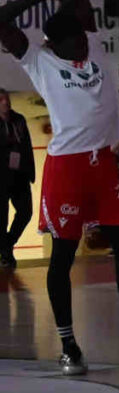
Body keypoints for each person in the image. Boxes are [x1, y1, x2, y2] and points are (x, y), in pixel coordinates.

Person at [0, 0, 119, 374]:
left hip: (103, 164)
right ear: (54, 44)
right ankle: (68, 345)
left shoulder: (92, 44)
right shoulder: (38, 60)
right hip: (68, 168)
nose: (84, 48)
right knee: (63, 255)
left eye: (84, 39)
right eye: (75, 44)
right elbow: (3, 17)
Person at [0, 93, 32, 268]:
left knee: (26, 212)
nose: (6, 102)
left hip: (20, 174)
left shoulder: (19, 119)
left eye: (7, 98)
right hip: (2, 176)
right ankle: (6, 253)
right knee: (1, 219)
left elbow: (26, 144)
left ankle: (5, 245)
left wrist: (30, 171)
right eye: (1, 100)